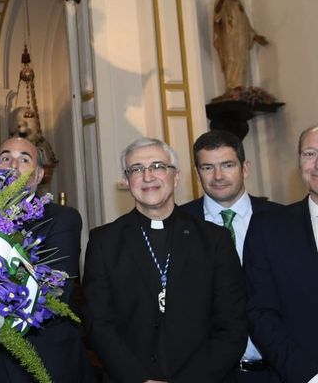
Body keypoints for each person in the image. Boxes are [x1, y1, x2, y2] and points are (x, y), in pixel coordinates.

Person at [83, 137, 247, 383]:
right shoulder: (104, 242)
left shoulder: (214, 240)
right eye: (136, 169)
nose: (148, 176)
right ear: (127, 181)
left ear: (176, 176)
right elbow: (98, 324)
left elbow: (232, 326)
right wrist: (139, 379)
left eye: (158, 166)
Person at [0, 136, 95, 383]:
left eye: (24, 159)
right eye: (5, 158)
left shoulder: (61, 220)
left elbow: (55, 291)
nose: (13, 165)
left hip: (45, 359)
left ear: (38, 176)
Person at [182, 130, 280, 382]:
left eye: (227, 165)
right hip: (207, 373)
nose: (218, 176)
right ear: (197, 173)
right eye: (207, 167)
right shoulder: (178, 225)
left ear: (245, 168)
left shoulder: (282, 219)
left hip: (278, 371)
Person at [243, 125, 318, 382]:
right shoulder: (268, 228)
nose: (317, 164)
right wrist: (308, 376)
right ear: (299, 161)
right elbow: (260, 312)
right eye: (310, 154)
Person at [213, 0, 268, 97]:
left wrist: (254, 36)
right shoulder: (220, 0)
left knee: (242, 60)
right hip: (228, 37)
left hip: (241, 38)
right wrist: (222, 0)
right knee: (231, 60)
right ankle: (231, 87)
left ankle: (239, 87)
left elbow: (245, 23)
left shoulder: (238, 3)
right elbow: (217, 17)